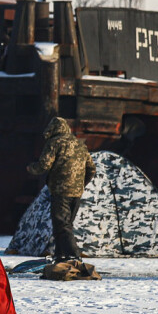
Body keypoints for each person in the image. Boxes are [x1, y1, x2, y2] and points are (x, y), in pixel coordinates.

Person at [25, 116, 99, 280]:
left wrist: (31, 168)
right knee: (65, 225)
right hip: (76, 192)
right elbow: (92, 169)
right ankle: (61, 256)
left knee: (62, 224)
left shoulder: (54, 143)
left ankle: (73, 256)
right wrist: (81, 184)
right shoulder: (80, 144)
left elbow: (44, 165)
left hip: (61, 191)